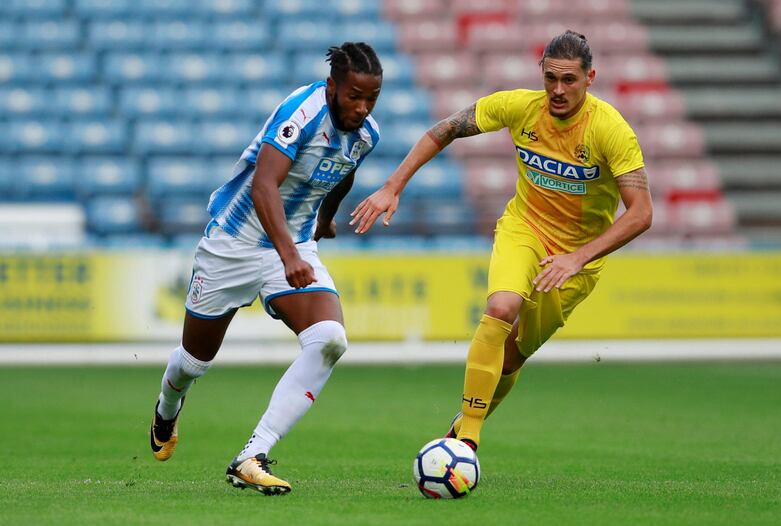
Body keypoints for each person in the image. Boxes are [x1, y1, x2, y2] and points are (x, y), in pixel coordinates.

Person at [350, 31, 652, 452]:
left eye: (569, 80)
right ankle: (467, 440)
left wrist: (577, 258)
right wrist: (392, 186)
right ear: (540, 73)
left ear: (591, 78)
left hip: (576, 257)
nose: (558, 90)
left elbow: (641, 212)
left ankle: (461, 427)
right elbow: (447, 127)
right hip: (524, 229)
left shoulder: (611, 130)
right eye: (551, 78)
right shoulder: (519, 106)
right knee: (501, 307)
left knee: (512, 357)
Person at [149, 42, 383, 496]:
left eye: (371, 98)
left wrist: (325, 217)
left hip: (292, 243)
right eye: (354, 95)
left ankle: (252, 454)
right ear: (333, 86)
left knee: (330, 340)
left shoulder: (368, 134)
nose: (362, 107)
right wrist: (290, 256)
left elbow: (345, 169)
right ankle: (167, 407)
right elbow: (263, 185)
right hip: (231, 245)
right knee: (194, 362)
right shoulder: (302, 112)